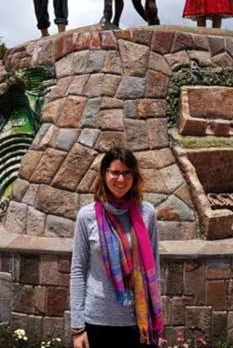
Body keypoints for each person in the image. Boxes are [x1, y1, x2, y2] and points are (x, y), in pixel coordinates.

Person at [70, 147, 163, 348]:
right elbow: (77, 271)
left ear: (134, 176)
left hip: (137, 321)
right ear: (104, 175)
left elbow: (153, 268)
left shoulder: (147, 213)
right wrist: (78, 328)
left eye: (126, 173)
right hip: (97, 320)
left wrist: (156, 320)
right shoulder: (87, 217)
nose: (121, 179)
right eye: (115, 172)